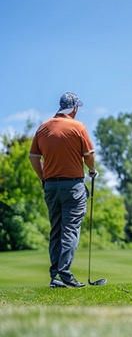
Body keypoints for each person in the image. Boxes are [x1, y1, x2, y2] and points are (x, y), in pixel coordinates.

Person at [29, 92, 98, 288]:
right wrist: (92, 171)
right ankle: (64, 273)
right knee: (70, 229)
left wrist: (43, 179)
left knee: (56, 229)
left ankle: (55, 275)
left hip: (50, 186)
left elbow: (33, 157)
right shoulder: (78, 126)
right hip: (73, 186)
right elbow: (89, 155)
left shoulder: (43, 128)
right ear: (74, 108)